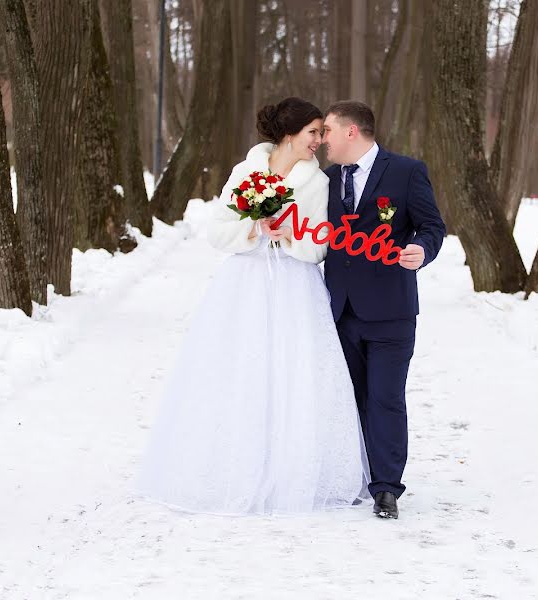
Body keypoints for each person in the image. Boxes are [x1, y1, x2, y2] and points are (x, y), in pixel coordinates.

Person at [137, 97, 369, 516]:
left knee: (293, 372)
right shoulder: (246, 173)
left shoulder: (318, 183)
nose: (320, 140)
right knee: (240, 370)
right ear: (288, 134)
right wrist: (254, 225)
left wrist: (286, 235)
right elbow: (218, 232)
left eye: (322, 133)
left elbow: (318, 247)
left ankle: (292, 470)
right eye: (313, 132)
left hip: (294, 288)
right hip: (244, 284)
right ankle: (234, 467)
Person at [321, 101, 447, 519]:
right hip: (340, 309)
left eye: (328, 131)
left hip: (391, 309)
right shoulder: (326, 179)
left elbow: (432, 226)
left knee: (386, 398)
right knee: (350, 398)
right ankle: (354, 473)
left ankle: (387, 487)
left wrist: (422, 249)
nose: (323, 140)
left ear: (351, 132)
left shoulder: (406, 171)